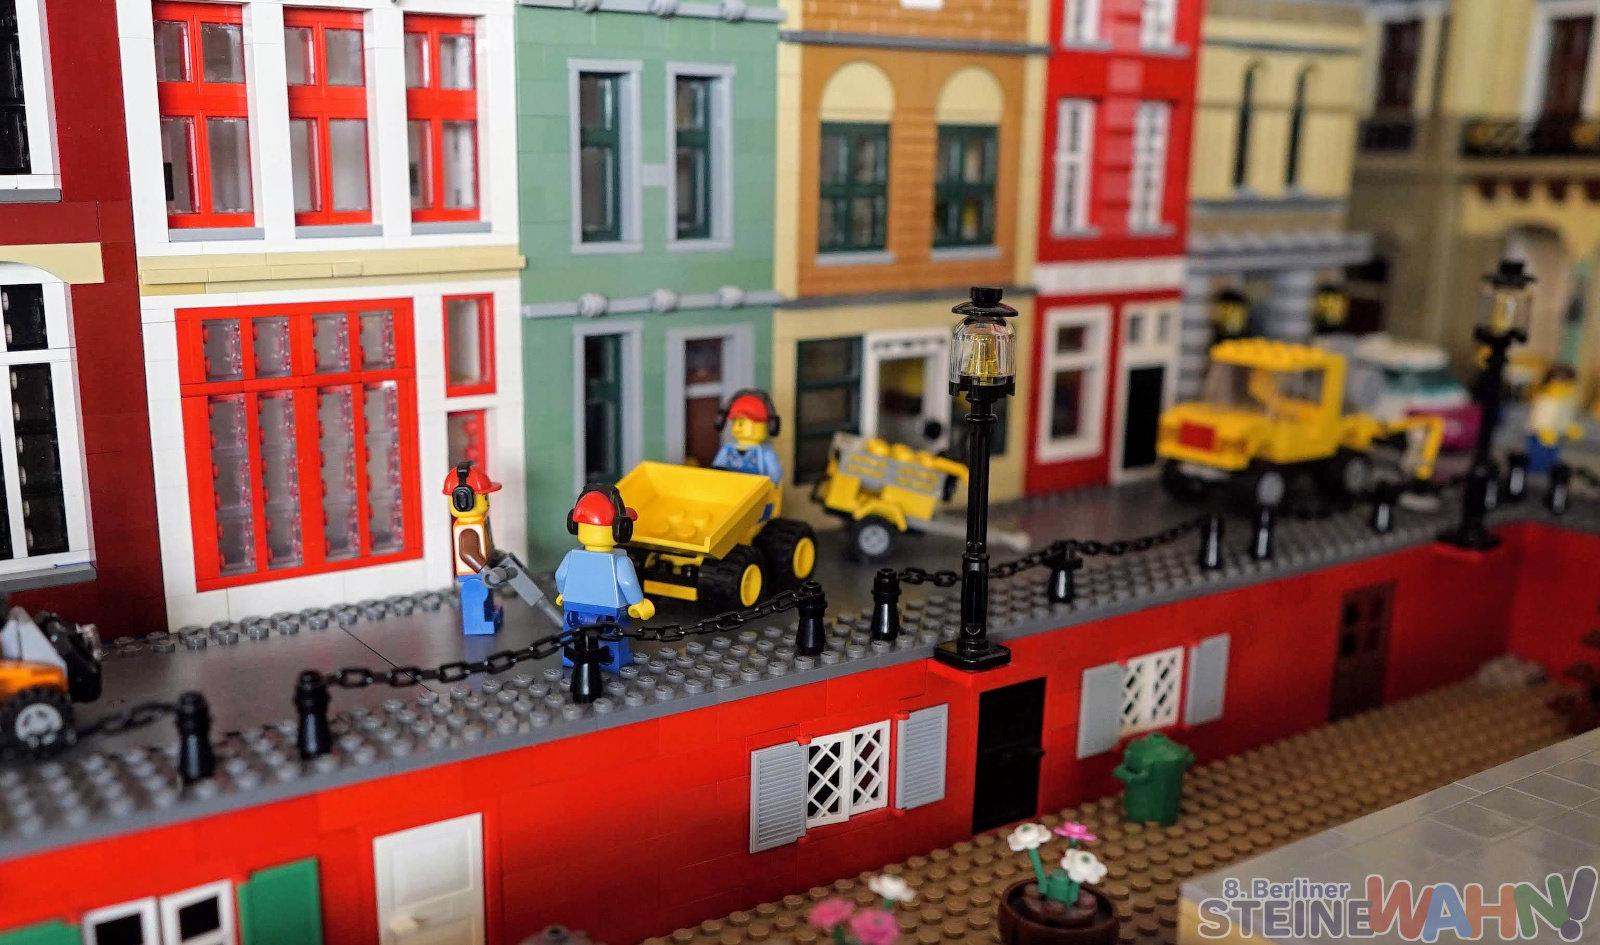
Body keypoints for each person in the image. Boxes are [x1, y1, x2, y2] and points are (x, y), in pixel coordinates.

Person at [555, 484, 654, 670]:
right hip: (609, 612)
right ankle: (611, 662)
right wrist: (639, 604)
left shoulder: (572, 555)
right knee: (613, 640)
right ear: (620, 529)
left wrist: (562, 593)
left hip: (574, 609)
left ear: (575, 526)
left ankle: (571, 659)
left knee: (573, 637)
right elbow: (627, 583)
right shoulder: (620, 561)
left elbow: (560, 575)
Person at [444, 461, 503, 636]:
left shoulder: (479, 522)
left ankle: (488, 615)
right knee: (476, 597)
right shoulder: (467, 530)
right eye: (484, 497)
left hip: (482, 571)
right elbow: (467, 553)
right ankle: (478, 623)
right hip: (473, 575)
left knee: (486, 596)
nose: (487, 501)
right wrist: (485, 570)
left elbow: (485, 545)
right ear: (463, 500)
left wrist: (493, 555)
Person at [1526, 365, 1584, 474]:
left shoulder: (1568, 400)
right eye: (1558, 379)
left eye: (1566, 380)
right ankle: (1532, 477)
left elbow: (1567, 417)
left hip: (1557, 436)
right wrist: (1542, 430)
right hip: (1539, 436)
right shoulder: (1545, 397)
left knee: (1550, 461)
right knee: (1537, 461)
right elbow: (1538, 416)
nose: (1562, 383)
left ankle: (1544, 476)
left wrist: (1570, 428)